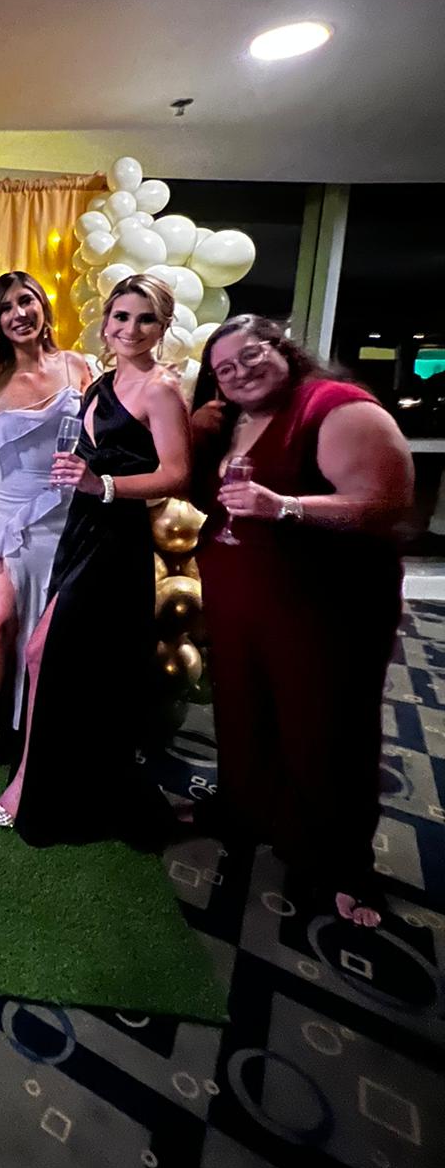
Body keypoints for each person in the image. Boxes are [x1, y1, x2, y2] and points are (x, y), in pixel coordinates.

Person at [190, 314, 413, 926]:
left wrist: (284, 507)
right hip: (246, 604)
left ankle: (344, 866)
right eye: (225, 369)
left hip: (323, 608)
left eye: (251, 355)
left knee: (326, 730)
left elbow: (385, 504)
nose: (240, 372)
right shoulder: (236, 419)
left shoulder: (336, 407)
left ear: (283, 348)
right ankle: (246, 813)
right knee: (245, 716)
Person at [0, 275, 190, 845]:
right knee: (76, 664)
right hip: (80, 530)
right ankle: (69, 783)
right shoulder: (102, 380)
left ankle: (29, 786)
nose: (130, 329)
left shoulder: (160, 389)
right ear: (106, 321)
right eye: (121, 316)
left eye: (145, 319)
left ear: (163, 326)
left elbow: (177, 474)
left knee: (41, 650)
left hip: (116, 540)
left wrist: (105, 486)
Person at [0, 271, 90, 780]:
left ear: (42, 306)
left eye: (26, 301)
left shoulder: (78, 366)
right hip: (11, 521)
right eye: (6, 307)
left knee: (53, 637)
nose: (19, 314)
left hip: (70, 514)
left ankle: (43, 733)